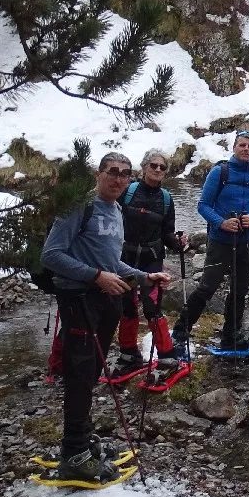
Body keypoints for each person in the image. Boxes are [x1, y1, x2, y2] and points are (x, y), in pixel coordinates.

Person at [40, 152, 170, 484]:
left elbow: (113, 264)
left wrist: (144, 276)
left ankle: (83, 440)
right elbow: (51, 255)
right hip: (79, 300)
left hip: (105, 301)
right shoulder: (79, 207)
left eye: (125, 174)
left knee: (92, 372)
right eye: (112, 172)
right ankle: (74, 454)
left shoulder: (115, 210)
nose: (118, 179)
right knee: (79, 374)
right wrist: (95, 276)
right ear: (99, 174)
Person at [174, 131, 249, 352]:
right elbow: (203, 205)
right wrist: (221, 223)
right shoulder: (220, 172)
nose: (246, 149)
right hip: (221, 241)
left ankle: (231, 335)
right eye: (242, 145)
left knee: (240, 290)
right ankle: (181, 332)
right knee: (207, 287)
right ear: (234, 147)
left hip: (248, 241)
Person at [109, 149, 187, 376]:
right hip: (126, 259)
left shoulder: (165, 199)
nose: (158, 170)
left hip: (152, 260)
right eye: (154, 165)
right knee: (128, 306)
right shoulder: (129, 191)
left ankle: (167, 356)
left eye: (163, 167)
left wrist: (178, 243)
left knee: (152, 307)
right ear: (144, 168)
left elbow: (167, 233)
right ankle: (129, 355)